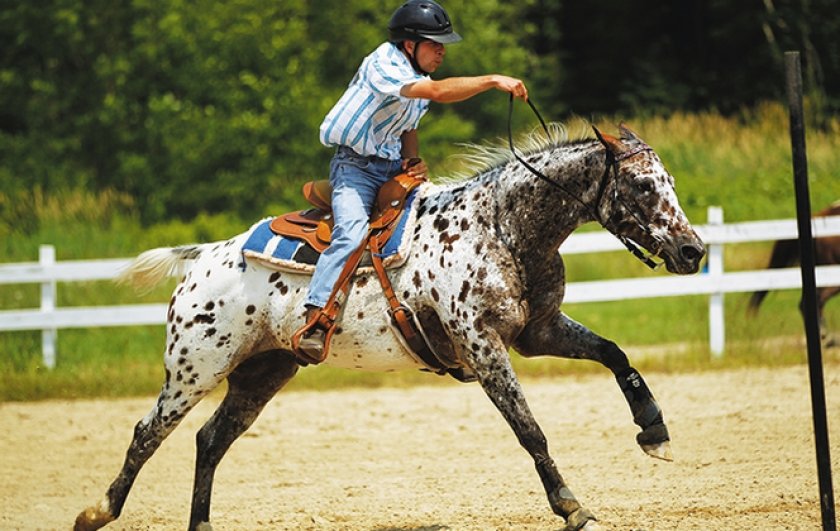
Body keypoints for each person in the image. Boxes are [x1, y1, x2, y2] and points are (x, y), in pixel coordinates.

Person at [296, 0, 529, 360]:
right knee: (353, 233)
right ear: (409, 45)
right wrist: (492, 80)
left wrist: (413, 162)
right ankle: (315, 319)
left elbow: (409, 128)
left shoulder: (416, 79)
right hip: (353, 168)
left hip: (391, 168)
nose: (441, 51)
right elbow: (436, 93)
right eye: (434, 44)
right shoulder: (384, 64)